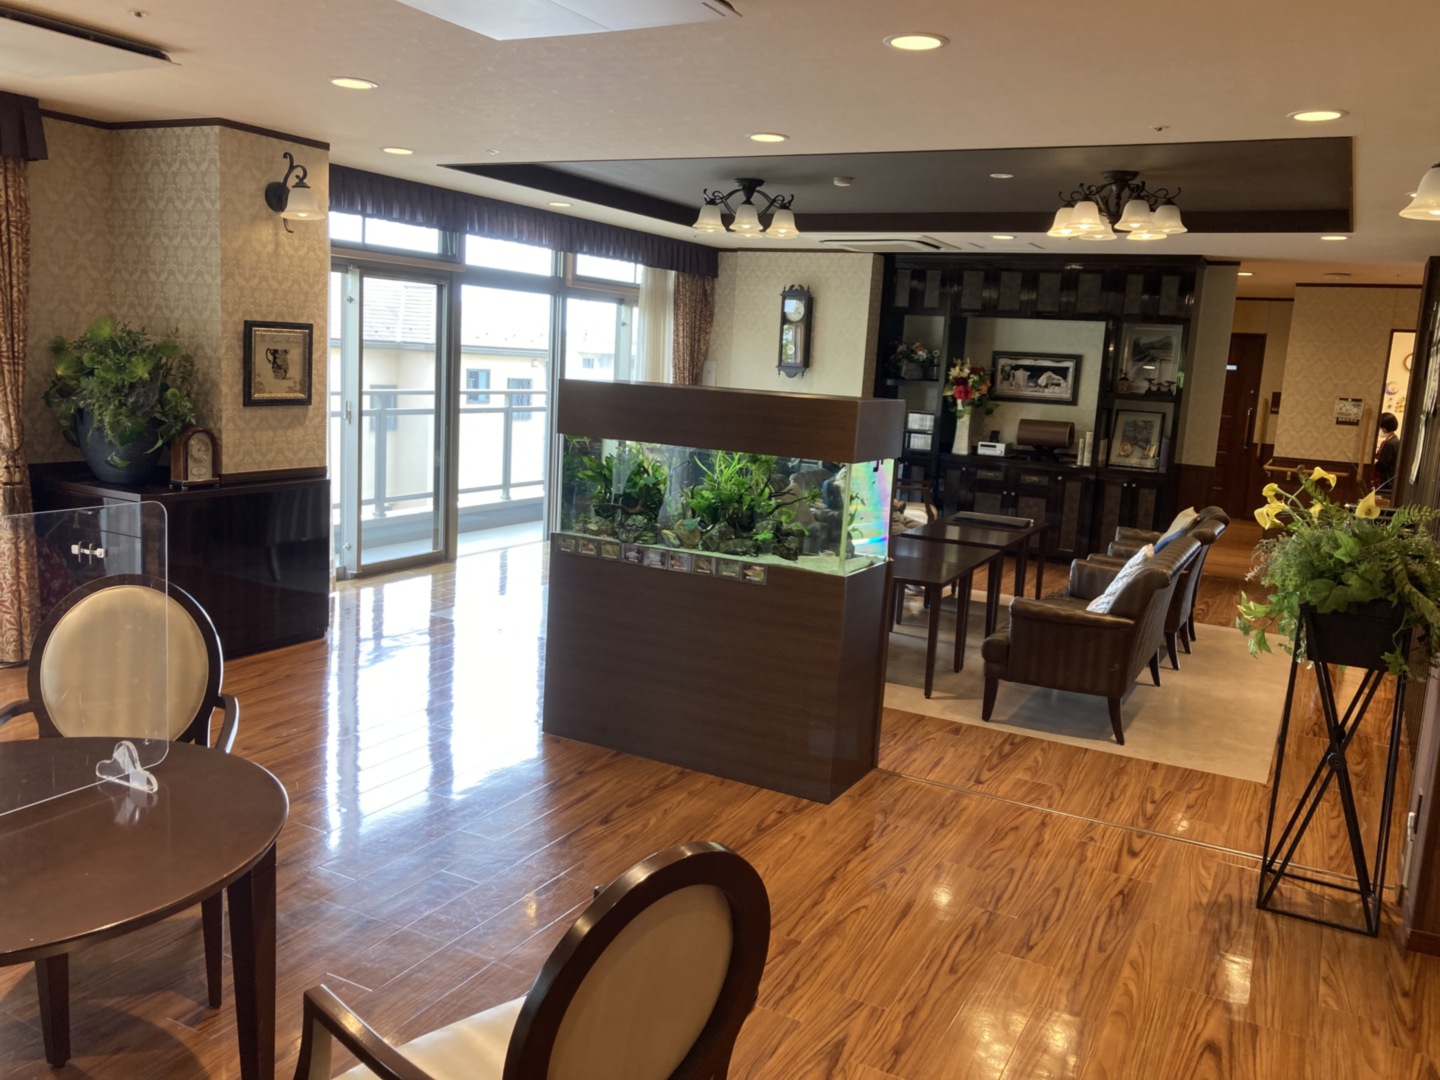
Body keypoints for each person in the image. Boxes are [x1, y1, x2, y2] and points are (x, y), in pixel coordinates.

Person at [1374, 412, 1400, 493]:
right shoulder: (1394, 440)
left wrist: (1374, 462)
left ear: (1384, 429)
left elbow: (1382, 464)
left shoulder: (1390, 443)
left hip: (1386, 480)